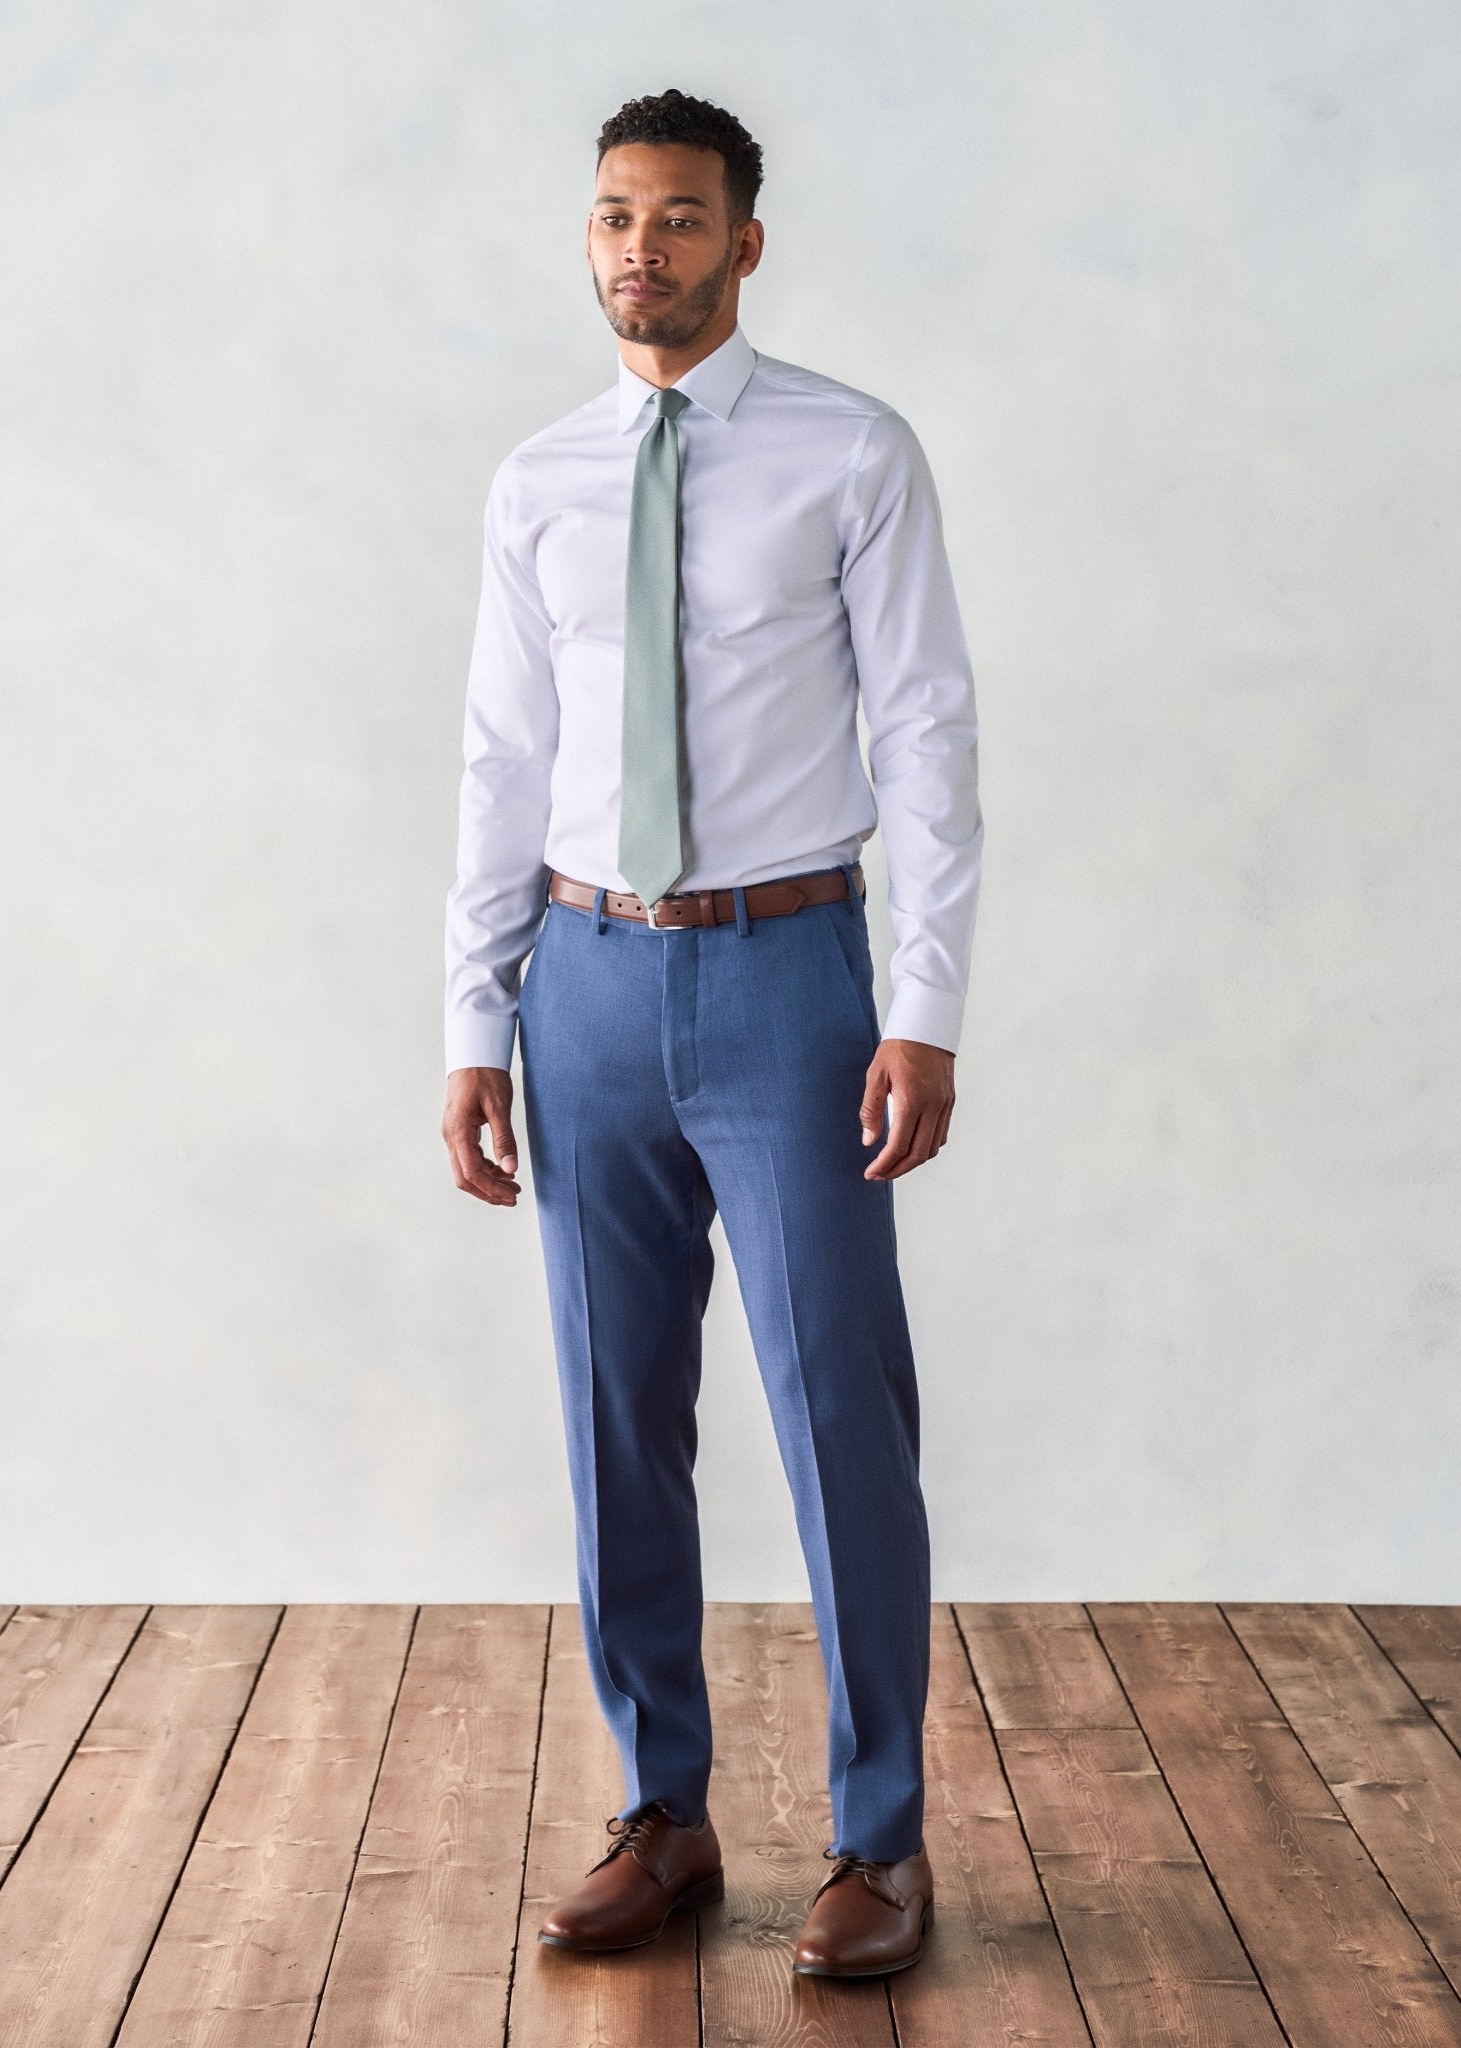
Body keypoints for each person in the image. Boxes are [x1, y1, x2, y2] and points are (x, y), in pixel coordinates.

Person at [441, 86, 983, 1979]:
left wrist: (922, 1004)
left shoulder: (853, 454)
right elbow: (504, 760)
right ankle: (665, 1817)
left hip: (788, 979)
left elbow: (921, 732)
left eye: (678, 218)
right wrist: (473, 1017)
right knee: (615, 1418)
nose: (638, 249)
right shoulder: (539, 483)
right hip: (580, 987)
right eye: (611, 216)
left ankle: (877, 1839)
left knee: (843, 1408)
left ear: (746, 241)